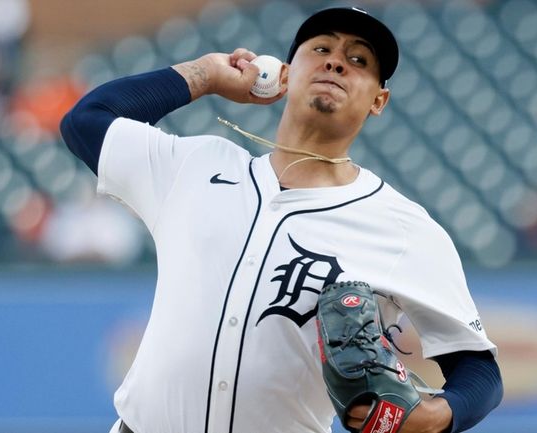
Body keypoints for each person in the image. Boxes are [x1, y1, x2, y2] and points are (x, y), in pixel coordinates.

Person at [60, 7, 502, 433]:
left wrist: (436, 416)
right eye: (321, 49)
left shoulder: (403, 227)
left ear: (379, 100)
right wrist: (207, 75)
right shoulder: (195, 166)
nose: (336, 63)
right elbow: (86, 121)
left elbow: (479, 371)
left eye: (358, 60)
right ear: (285, 74)